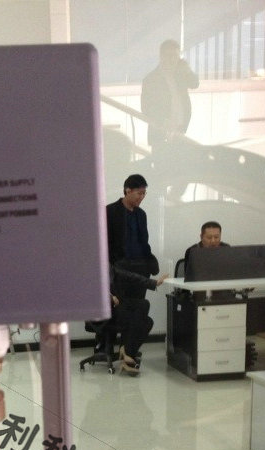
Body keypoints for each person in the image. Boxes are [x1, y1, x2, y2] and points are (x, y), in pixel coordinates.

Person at [105, 175, 167, 374]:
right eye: (139, 193)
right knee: (126, 310)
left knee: (140, 310)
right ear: (127, 190)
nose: (142, 197)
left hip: (140, 268)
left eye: (144, 193)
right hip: (118, 269)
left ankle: (127, 349)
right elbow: (105, 243)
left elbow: (144, 241)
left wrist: (149, 262)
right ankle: (126, 351)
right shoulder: (110, 211)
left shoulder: (141, 214)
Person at [141, 40, 200, 148]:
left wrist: (187, 70)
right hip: (160, 134)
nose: (172, 59)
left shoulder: (181, 74)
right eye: (169, 55)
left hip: (180, 131)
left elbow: (195, 84)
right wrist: (163, 121)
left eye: (176, 56)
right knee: (162, 159)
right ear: (161, 56)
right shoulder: (151, 80)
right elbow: (146, 108)